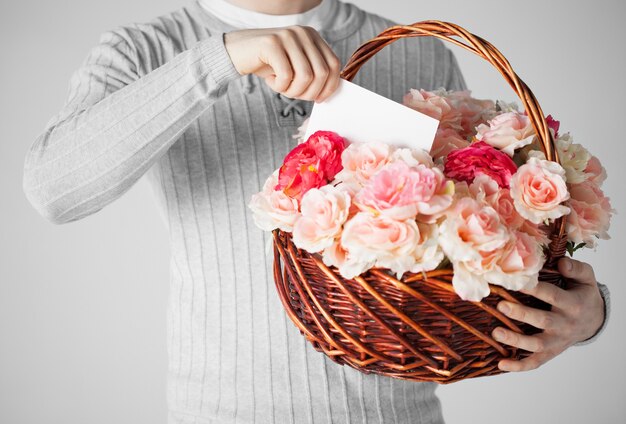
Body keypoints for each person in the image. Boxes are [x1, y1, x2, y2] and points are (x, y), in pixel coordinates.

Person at [22, 0, 610, 422]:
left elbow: (466, 256)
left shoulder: (417, 53)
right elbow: (54, 190)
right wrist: (218, 60)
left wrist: (584, 314)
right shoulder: (147, 50)